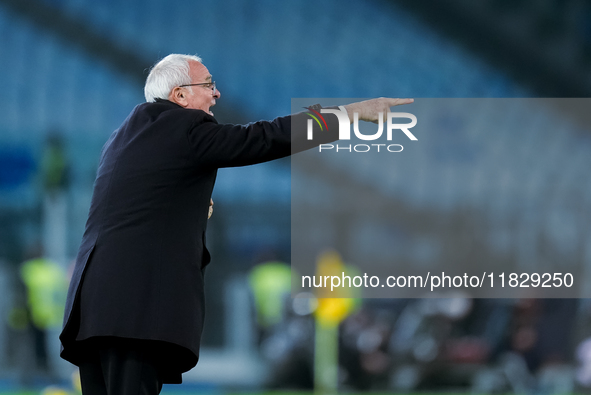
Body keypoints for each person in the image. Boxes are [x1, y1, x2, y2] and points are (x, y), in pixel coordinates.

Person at [58, 53, 413, 395]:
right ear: (180, 95)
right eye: (208, 84)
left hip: (94, 307)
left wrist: (189, 204)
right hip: (134, 308)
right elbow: (266, 137)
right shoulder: (183, 126)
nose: (217, 93)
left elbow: (142, 200)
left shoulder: (124, 137)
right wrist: (349, 114)